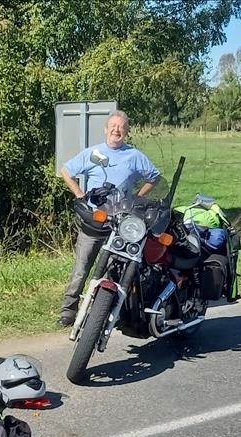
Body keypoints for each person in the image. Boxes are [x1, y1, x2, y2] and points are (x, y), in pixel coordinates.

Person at [57, 111, 161, 327]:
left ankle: (105, 312)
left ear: (127, 131)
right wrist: (79, 193)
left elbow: (155, 177)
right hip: (95, 221)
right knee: (81, 267)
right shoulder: (93, 153)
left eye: (121, 127)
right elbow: (66, 170)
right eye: (113, 126)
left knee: (116, 270)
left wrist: (138, 197)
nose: (117, 130)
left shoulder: (134, 156)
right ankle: (68, 310)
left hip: (121, 223)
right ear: (105, 129)